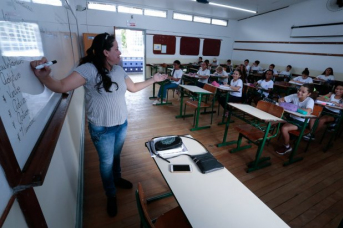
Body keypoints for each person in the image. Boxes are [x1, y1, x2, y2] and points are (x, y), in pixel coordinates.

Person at [30, 33, 167, 217]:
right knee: (106, 163)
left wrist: (154, 80)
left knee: (116, 156)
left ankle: (117, 179)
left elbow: (133, 88)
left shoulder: (118, 69)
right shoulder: (88, 69)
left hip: (121, 124)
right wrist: (46, 78)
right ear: (105, 52)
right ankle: (111, 194)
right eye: (116, 48)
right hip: (102, 129)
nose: (120, 52)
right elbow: (62, 86)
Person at [276, 84, 315, 155]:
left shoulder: (310, 100)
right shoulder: (294, 96)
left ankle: (287, 146)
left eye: (303, 92)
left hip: (301, 122)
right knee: (275, 121)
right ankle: (289, 137)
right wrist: (282, 101)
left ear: (308, 94)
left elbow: (308, 111)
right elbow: (280, 100)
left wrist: (294, 107)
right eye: (299, 90)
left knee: (284, 128)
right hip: (291, 118)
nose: (299, 92)